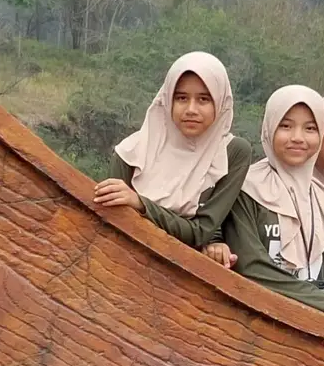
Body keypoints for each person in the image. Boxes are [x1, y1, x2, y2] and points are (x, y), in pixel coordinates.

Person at [212, 85, 324, 318]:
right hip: (254, 322)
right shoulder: (247, 188)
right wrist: (323, 302)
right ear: (269, 129)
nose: (297, 138)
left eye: (310, 128)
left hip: (313, 328)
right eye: (286, 126)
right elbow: (251, 267)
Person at [92, 52, 252, 248]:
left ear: (220, 103)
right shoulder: (130, 154)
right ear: (168, 100)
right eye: (181, 98)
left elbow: (201, 233)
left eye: (203, 99)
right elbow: (112, 226)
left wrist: (141, 205)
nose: (191, 109)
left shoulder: (232, 152)